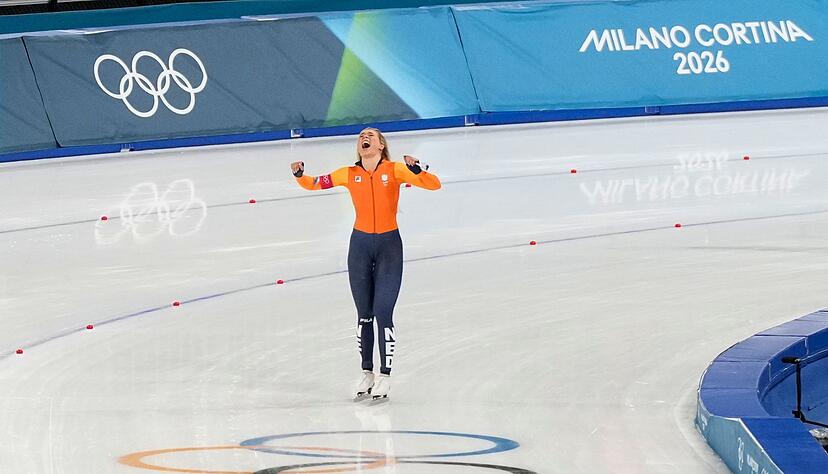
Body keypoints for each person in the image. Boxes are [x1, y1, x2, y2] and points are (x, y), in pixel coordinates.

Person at [290, 128, 441, 400]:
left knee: (384, 312)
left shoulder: (395, 170)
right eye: (360, 136)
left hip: (389, 247)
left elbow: (434, 184)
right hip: (359, 247)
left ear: (381, 144)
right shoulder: (349, 174)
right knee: (364, 314)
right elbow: (315, 183)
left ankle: (385, 375)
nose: (364, 138)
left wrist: (417, 169)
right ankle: (366, 372)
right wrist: (299, 174)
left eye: (370, 135)